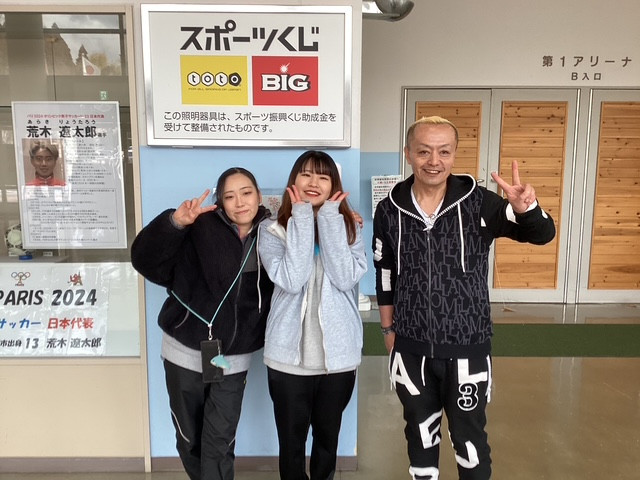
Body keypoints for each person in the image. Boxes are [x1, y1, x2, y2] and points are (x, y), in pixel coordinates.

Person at [372, 116, 556, 480]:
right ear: (408, 153)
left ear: (455, 155)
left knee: (469, 442)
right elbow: (385, 273)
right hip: (411, 349)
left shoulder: (480, 203)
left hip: (468, 348)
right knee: (419, 438)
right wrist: (388, 330)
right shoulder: (389, 209)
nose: (433, 161)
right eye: (423, 152)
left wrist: (527, 209)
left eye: (444, 152)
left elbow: (542, 234)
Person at [130, 167, 274, 480]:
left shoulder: (273, 234)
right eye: (230, 196)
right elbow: (146, 262)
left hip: (232, 357)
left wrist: (342, 219)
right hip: (184, 351)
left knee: (220, 439)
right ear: (220, 202)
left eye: (246, 193)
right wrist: (174, 223)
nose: (240, 202)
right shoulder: (200, 226)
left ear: (259, 196)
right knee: (189, 437)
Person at [258, 150, 367, 480]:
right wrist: (302, 217)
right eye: (306, 174)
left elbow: (345, 278)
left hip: (338, 358)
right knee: (291, 445)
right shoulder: (271, 229)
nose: (313, 182)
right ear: (294, 180)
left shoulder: (350, 227)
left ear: (334, 185)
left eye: (323, 176)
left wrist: (331, 220)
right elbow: (292, 279)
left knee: (327, 442)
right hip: (287, 358)